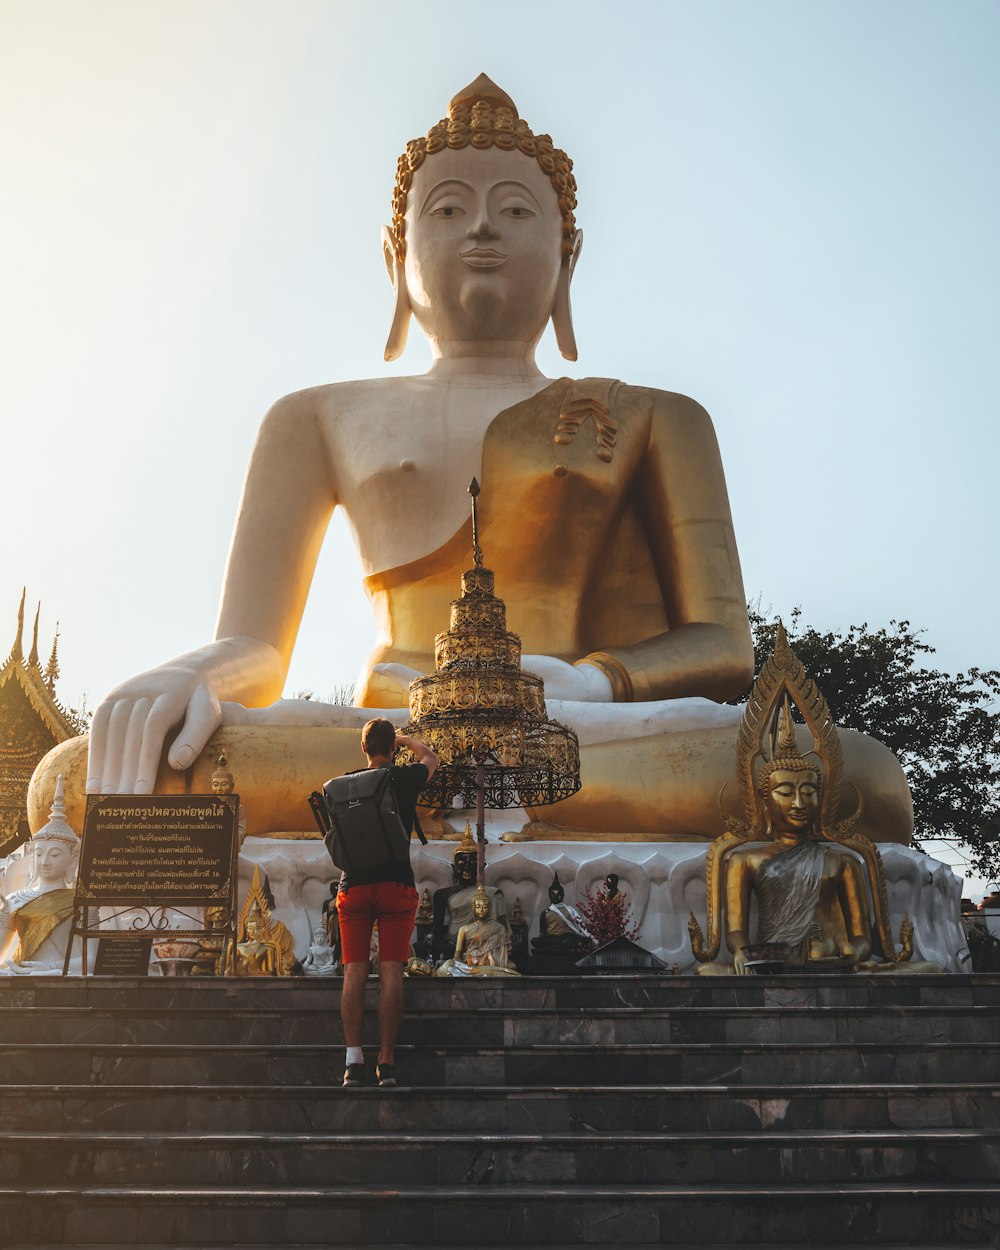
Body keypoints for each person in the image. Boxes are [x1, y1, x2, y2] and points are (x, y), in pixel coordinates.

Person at [43, 74, 910, 850]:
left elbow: (723, 646)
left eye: (519, 210)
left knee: (849, 775)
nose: (484, 227)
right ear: (398, 258)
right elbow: (256, 646)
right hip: (386, 722)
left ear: (568, 256)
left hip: (579, 723)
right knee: (84, 779)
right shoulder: (315, 416)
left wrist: (589, 680)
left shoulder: (654, 417)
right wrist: (188, 674)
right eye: (449, 208)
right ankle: (417, 797)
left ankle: (405, 808)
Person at [337, 718, 438, 1087]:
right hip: (396, 884)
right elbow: (433, 757)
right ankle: (387, 1062)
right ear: (392, 749)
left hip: (354, 887)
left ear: (364, 749)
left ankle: (352, 1061)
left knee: (354, 971)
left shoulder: (345, 783)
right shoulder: (405, 777)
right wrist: (408, 740)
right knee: (392, 969)